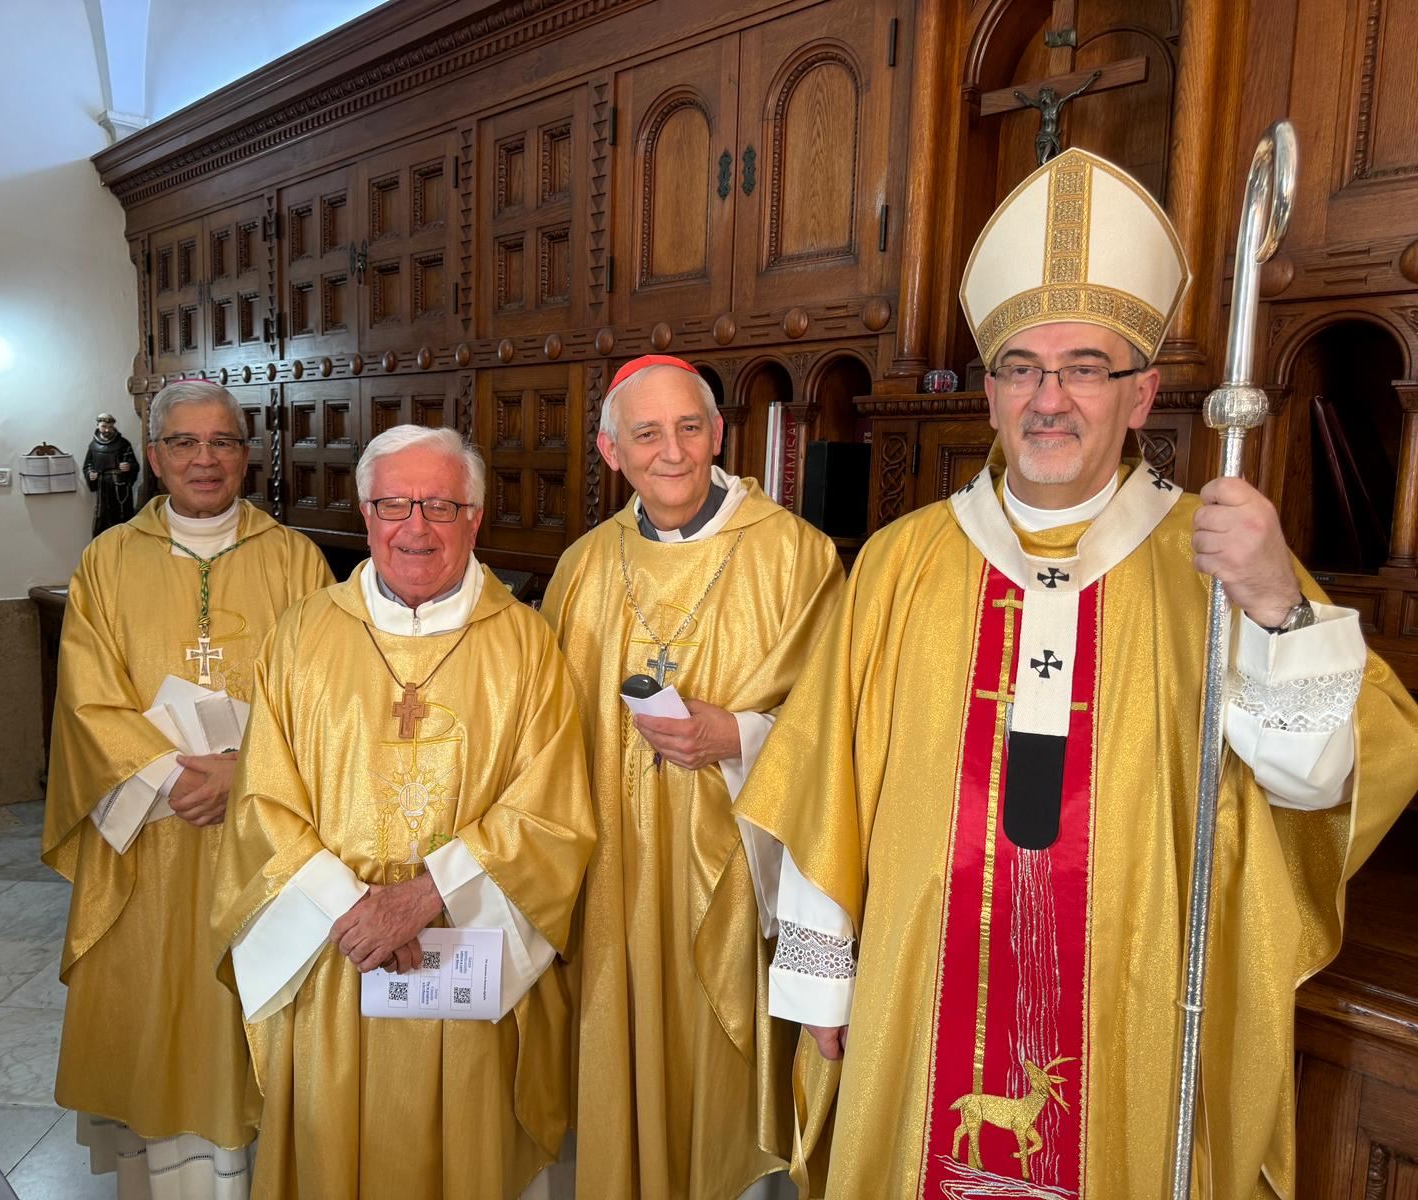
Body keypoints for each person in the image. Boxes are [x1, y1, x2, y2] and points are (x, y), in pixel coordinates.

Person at [735, 147, 1418, 1198]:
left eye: (1084, 367)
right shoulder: (899, 563)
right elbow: (830, 782)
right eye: (1020, 367)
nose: (1049, 398)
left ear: (1140, 394)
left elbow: (1314, 784)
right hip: (919, 989)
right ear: (992, 394)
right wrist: (822, 986)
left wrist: (1278, 600)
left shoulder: (1221, 559)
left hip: (1130, 996)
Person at [210, 424, 595, 1199]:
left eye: (440, 505)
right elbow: (261, 798)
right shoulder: (302, 636)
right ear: (365, 512)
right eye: (394, 504)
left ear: (475, 517)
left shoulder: (528, 647)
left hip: (464, 956)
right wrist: (354, 907)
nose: (415, 527)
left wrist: (423, 897)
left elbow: (551, 813)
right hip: (336, 952)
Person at [539, 355, 842, 1199]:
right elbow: (542, 737)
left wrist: (739, 735)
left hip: (740, 878)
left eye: (688, 428)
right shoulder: (583, 567)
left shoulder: (797, 557)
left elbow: (839, 731)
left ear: (717, 434)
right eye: (646, 433)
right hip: (614, 880)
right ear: (611, 450)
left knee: (718, 1094)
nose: (670, 451)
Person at [42, 380, 333, 1198]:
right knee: (159, 1006)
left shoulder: (296, 560)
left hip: (265, 835)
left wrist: (244, 775)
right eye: (185, 443)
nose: (205, 459)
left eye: (223, 443)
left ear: (247, 456)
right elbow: (87, 699)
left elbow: (325, 698)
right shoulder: (107, 562)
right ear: (154, 456)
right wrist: (178, 779)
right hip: (153, 843)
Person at [84, 411, 140, 534]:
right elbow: (88, 465)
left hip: (119, 486)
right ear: (98, 426)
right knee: (103, 516)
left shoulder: (123, 443)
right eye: (104, 426)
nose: (107, 430)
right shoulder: (93, 445)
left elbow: (134, 464)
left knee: (121, 516)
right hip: (103, 486)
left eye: (110, 427)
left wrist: (128, 466)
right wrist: (90, 474)